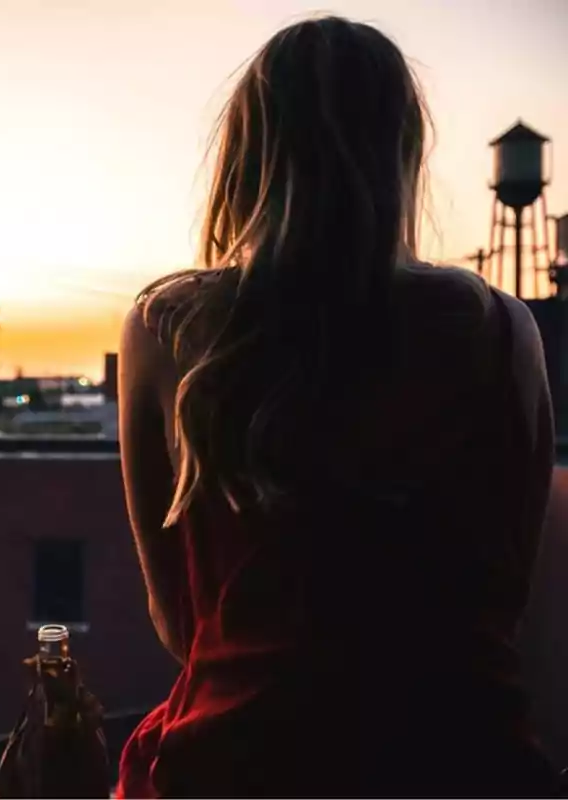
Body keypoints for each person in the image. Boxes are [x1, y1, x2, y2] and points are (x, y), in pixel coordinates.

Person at [116, 16, 558, 797]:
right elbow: (503, 591)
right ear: (403, 153)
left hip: (234, 763)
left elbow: (179, 621)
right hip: (461, 759)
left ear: (245, 155)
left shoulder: (172, 328)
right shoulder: (501, 328)